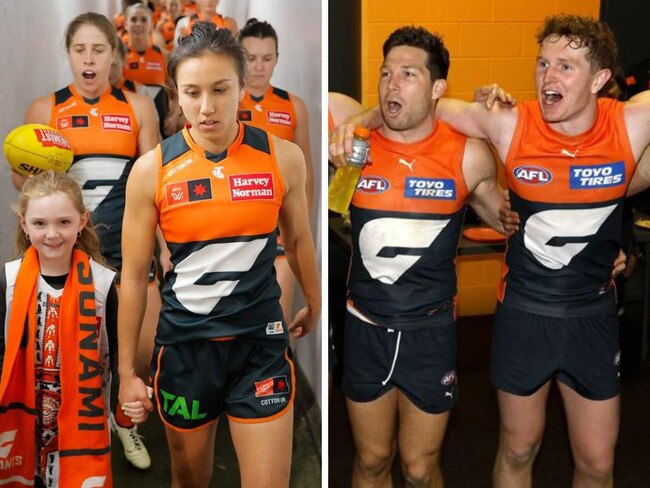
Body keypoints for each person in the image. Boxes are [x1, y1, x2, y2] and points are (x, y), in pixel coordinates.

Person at [332, 14, 650, 488]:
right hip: (512, 314)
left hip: (588, 317)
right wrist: (361, 120)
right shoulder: (504, 122)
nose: (548, 76)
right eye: (543, 63)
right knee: (510, 450)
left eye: (566, 66)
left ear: (601, 79)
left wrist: (617, 247)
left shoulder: (629, 122)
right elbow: (410, 108)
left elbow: (608, 191)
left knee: (597, 465)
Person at [117, 22, 320, 487]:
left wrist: (315, 297)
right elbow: (133, 277)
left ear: (242, 86)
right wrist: (128, 371)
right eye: (192, 91)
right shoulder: (152, 171)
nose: (206, 107)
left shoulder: (283, 157)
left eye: (220, 89)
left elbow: (301, 240)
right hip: (187, 352)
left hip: (261, 349)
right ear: (176, 94)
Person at [335, 26, 505, 487]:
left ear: (437, 89)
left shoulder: (469, 155)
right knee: (371, 461)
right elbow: (334, 103)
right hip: (365, 327)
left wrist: (501, 120)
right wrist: (361, 124)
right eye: (386, 72)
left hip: (429, 333)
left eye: (408, 75)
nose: (392, 82)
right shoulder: (353, 146)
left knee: (419, 467)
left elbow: (514, 223)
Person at [11, 12, 161, 471]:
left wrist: (164, 243)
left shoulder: (138, 107)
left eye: (99, 49)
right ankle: (68, 428)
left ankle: (123, 421)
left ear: (114, 56)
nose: (90, 58)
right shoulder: (46, 110)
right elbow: (24, 182)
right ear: (69, 53)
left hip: (127, 242)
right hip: (67, 245)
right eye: (81, 49)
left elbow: (157, 178)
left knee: (134, 343)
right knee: (67, 345)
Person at [0, 171, 144, 487]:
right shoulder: (8, 280)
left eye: (63, 222)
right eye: (40, 223)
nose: (52, 234)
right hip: (23, 416)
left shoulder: (104, 283)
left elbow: (119, 349)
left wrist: (127, 394)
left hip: (81, 418)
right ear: (24, 224)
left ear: (82, 221)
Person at [238, 18, 314, 327]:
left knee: (277, 322)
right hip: (236, 226)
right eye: (250, 57)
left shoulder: (294, 106)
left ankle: (284, 372)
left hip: (280, 226)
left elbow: (305, 173)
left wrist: (300, 227)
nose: (258, 67)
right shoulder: (224, 100)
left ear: (277, 59)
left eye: (266, 58)